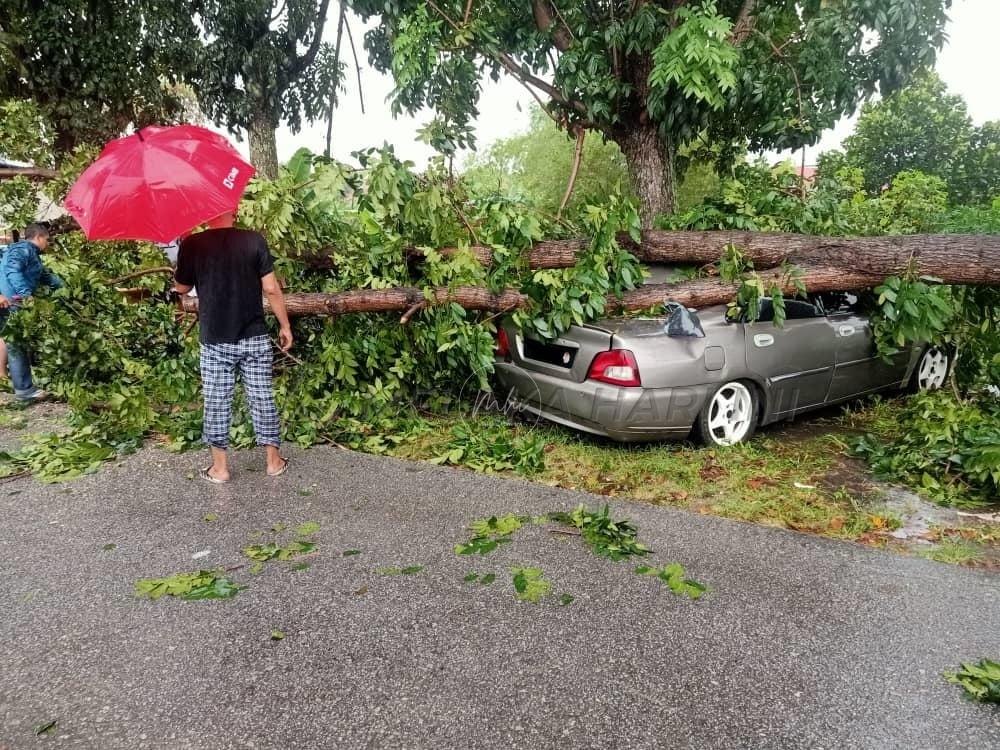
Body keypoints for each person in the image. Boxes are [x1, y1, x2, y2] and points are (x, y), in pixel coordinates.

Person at [174, 212, 293, 483]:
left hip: (215, 337)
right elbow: (271, 289)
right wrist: (285, 326)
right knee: (262, 395)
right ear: (235, 211)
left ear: (206, 213)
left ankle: (220, 469)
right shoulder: (254, 240)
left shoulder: (193, 244)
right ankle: (273, 462)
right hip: (254, 335)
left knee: (216, 400)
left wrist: (184, 254)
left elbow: (182, 288)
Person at [0, 223, 62, 401]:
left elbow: (45, 277)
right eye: (47, 240)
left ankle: (20, 385)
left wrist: (66, 288)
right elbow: (12, 271)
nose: (48, 244)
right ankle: (25, 391)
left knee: (14, 341)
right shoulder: (22, 250)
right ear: (39, 237)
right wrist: (26, 295)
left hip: (12, 300)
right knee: (17, 343)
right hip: (12, 302)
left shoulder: (32, 255)